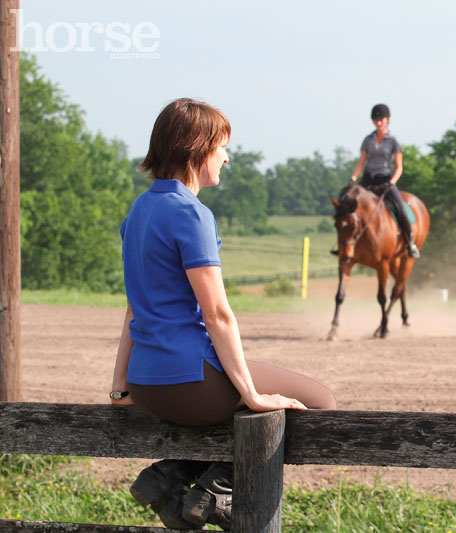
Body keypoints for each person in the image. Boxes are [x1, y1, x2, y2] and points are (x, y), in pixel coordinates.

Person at [110, 98, 336, 530]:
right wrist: (251, 395)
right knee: (321, 400)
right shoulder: (191, 215)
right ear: (197, 148)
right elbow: (218, 316)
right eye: (222, 147)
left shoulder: (139, 210)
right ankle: (216, 492)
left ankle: (172, 473)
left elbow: (131, 310)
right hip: (190, 383)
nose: (227, 157)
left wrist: (119, 387)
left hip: (145, 386)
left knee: (248, 401)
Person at [332, 103, 420, 258]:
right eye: (375, 120)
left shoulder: (393, 140)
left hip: (386, 180)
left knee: (400, 208)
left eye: (381, 119)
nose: (378, 122)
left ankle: (410, 243)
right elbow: (361, 162)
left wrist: (392, 182)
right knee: (347, 208)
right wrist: (353, 178)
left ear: (387, 120)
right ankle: (343, 245)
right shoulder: (368, 140)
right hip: (368, 179)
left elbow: (399, 167)